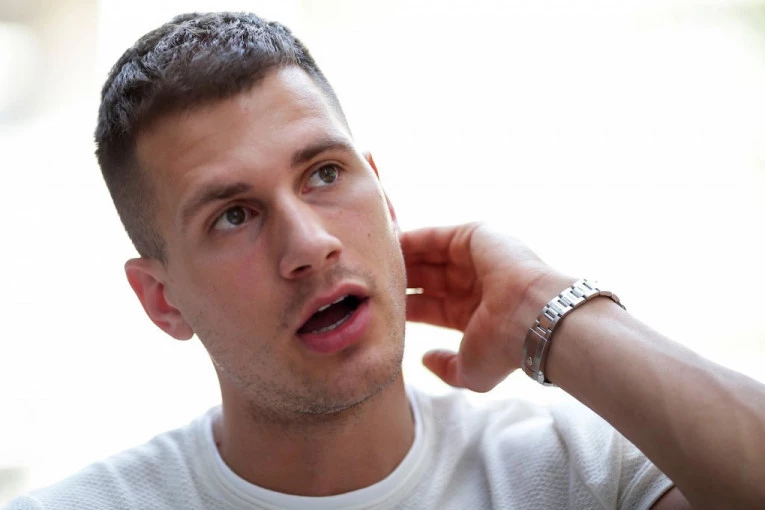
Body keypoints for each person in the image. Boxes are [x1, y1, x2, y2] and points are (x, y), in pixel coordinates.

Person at [5, 11, 765, 510]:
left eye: (324, 174)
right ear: (161, 300)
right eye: (233, 215)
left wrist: (550, 310)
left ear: (384, 196)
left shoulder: (584, 472)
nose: (309, 245)